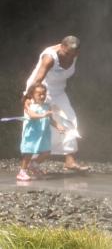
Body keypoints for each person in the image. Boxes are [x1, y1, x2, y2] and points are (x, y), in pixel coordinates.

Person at [24, 36, 88, 171]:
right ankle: (31, 164)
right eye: (66, 53)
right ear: (61, 47)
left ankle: (70, 161)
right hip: (40, 90)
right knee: (41, 125)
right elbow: (38, 80)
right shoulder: (49, 57)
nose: (69, 57)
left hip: (59, 92)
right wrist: (28, 97)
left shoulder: (74, 53)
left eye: (73, 54)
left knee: (69, 119)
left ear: (77, 53)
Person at [17, 83, 65, 181]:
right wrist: (44, 115)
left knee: (46, 152)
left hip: (43, 134)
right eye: (39, 94)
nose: (42, 96)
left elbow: (50, 119)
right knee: (28, 153)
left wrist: (58, 125)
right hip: (32, 133)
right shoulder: (29, 103)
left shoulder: (47, 106)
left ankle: (34, 165)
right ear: (32, 94)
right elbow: (32, 115)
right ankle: (22, 172)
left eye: (44, 94)